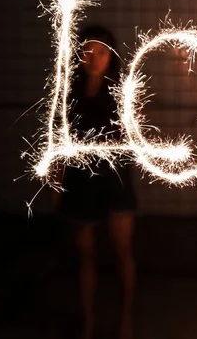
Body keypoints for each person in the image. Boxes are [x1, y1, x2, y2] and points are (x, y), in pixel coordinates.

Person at [52, 25, 137, 339]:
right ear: (79, 54)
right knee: (86, 256)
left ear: (110, 56)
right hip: (79, 182)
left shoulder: (121, 91)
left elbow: (133, 136)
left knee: (121, 253)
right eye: (87, 50)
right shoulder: (69, 93)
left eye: (101, 51)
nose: (93, 57)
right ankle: (88, 322)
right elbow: (59, 140)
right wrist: (56, 184)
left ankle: (125, 320)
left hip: (114, 181)